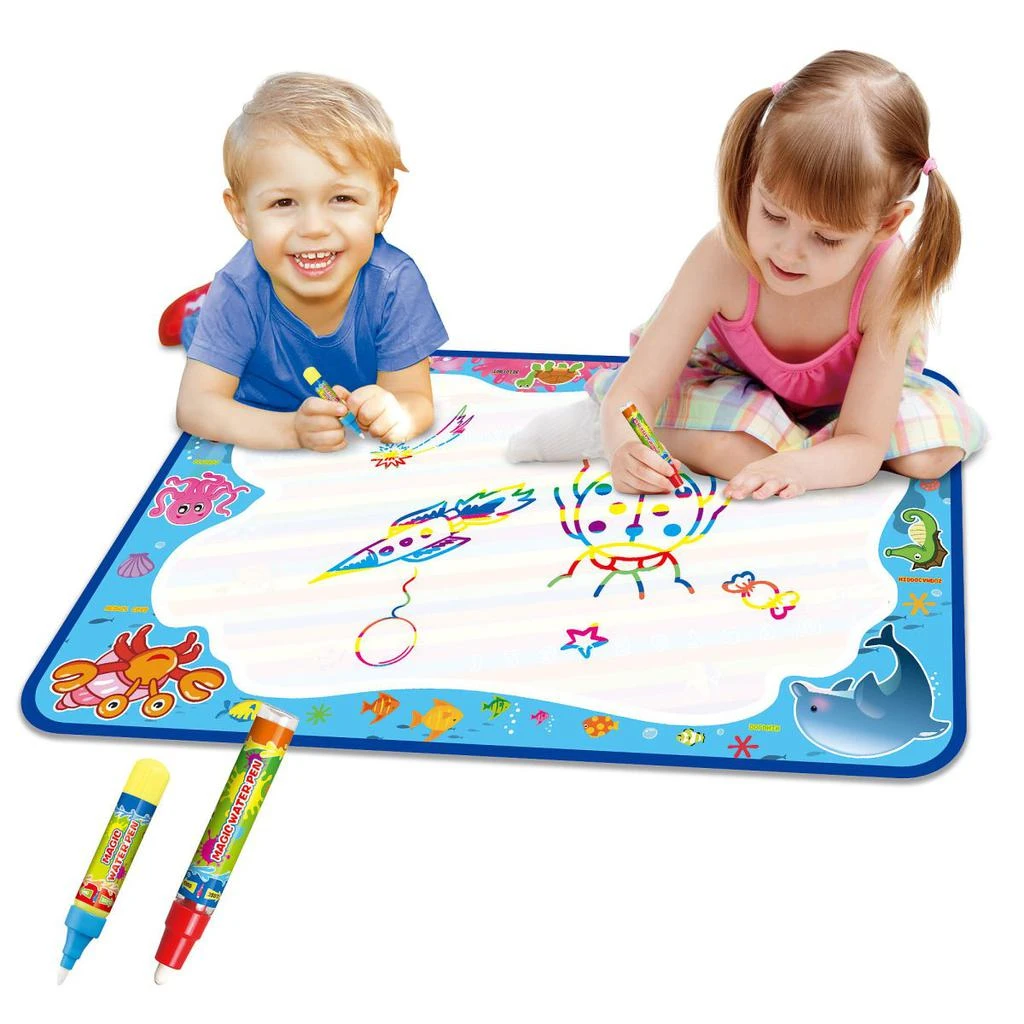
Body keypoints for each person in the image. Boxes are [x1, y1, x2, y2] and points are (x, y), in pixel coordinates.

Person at [508, 50, 986, 499]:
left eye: (826, 238)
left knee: (931, 454)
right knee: (740, 453)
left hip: (849, 404)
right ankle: (597, 430)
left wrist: (798, 469)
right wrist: (624, 446)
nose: (788, 253)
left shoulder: (888, 279)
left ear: (886, 224)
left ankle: (793, 445)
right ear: (753, 174)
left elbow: (863, 441)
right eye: (774, 215)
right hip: (733, 386)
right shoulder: (723, 256)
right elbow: (634, 392)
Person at [175, 73, 446, 452]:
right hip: (240, 328)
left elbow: (415, 398)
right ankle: (196, 311)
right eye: (284, 202)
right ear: (242, 215)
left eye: (342, 198)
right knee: (202, 323)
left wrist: (396, 413)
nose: (314, 228)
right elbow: (196, 407)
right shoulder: (238, 290)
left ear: (382, 206)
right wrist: (291, 430)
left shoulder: (394, 281)